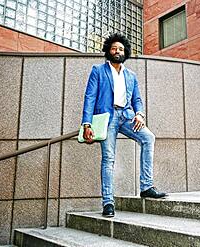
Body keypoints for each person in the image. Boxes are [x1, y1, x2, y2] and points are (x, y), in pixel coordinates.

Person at [81, 33, 167, 217]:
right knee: (109, 159)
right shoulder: (98, 71)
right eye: (113, 48)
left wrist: (140, 114)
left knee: (148, 138)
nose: (117, 51)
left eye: (120, 49)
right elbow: (89, 97)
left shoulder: (131, 76)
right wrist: (86, 123)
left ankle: (146, 186)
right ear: (108, 51)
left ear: (125, 52)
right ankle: (108, 203)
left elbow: (137, 99)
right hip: (108, 117)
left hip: (126, 116)